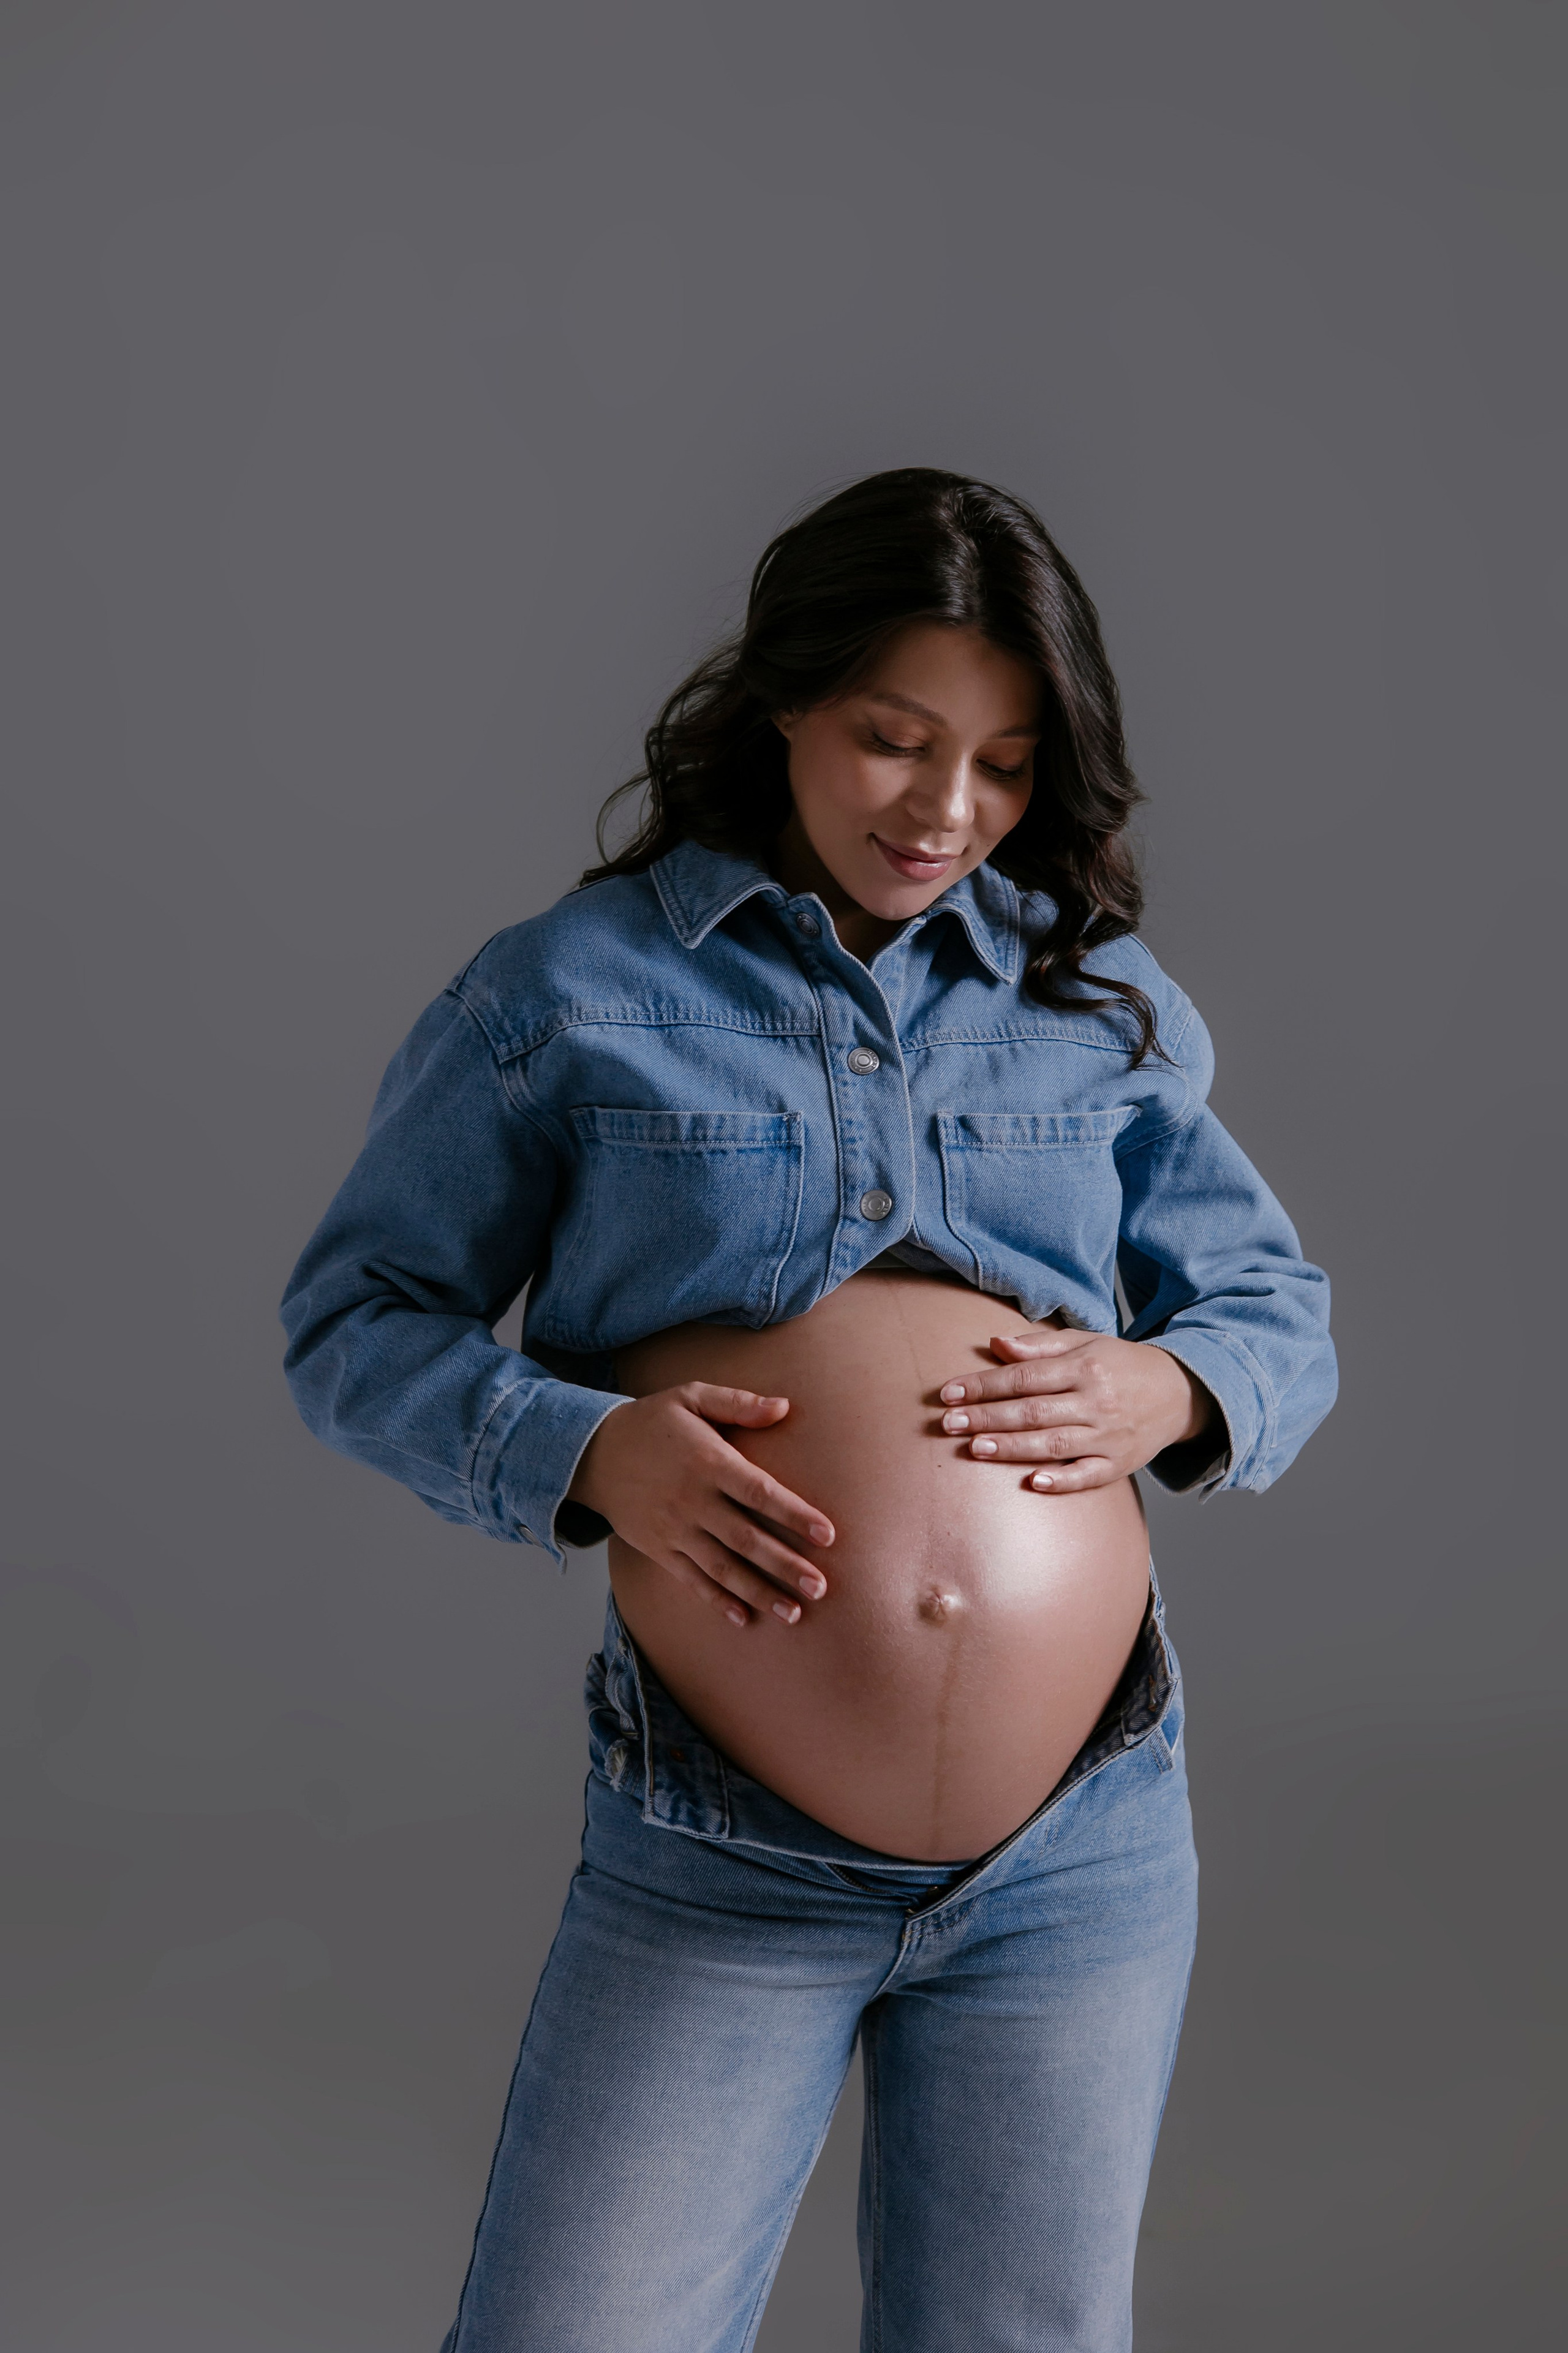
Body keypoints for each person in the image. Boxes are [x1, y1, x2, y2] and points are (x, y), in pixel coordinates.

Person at [281, 469, 1335, 2351]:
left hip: (1081, 1843)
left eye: (1007, 765)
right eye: (894, 739)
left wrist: (1167, 1378)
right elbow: (355, 1319)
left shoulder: (1096, 1006)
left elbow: (1278, 1309)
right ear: (781, 700)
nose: (946, 811)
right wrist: (584, 1446)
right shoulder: (565, 995)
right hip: (722, 1849)